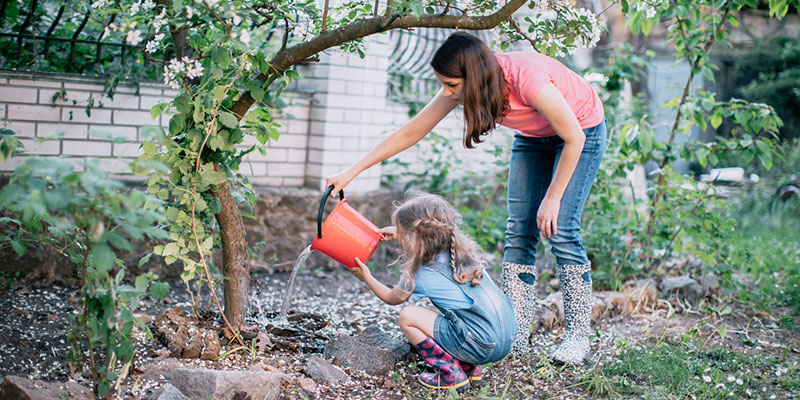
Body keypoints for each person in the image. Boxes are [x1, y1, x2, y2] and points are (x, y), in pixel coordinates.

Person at [327, 32, 606, 364]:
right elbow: (411, 131)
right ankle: (514, 338)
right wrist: (352, 172)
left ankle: (577, 336)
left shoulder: (527, 79)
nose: (446, 92)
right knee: (519, 232)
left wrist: (553, 197)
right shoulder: (466, 85)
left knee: (560, 228)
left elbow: (573, 135)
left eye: (451, 85)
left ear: (473, 78)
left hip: (581, 132)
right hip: (535, 137)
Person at [349, 192, 516, 390]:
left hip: (481, 345)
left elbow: (391, 298)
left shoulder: (421, 274)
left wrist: (366, 276)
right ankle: (470, 366)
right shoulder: (464, 255)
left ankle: (450, 374)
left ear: (412, 238)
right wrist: (402, 231)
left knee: (408, 316)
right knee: (458, 315)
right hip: (507, 339)